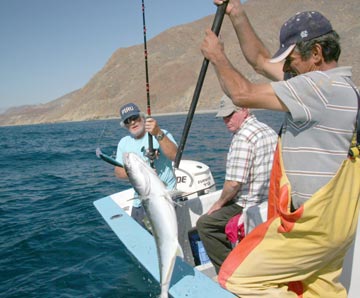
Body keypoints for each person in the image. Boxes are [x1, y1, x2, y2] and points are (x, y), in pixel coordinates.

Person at [201, 1, 359, 297]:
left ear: (316, 54)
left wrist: (217, 57)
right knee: (319, 289)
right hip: (337, 225)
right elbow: (261, 60)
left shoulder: (317, 88)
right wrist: (236, 13)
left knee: (238, 277)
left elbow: (242, 93)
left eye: (291, 59)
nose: (286, 67)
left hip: (312, 228)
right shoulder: (344, 89)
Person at [196, 94, 277, 274]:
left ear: (244, 109)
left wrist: (218, 204)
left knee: (206, 225)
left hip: (248, 203)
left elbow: (233, 184)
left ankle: (231, 272)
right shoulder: (267, 129)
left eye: (230, 114)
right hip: (270, 200)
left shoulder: (242, 138)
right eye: (224, 116)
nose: (226, 120)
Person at [114, 102, 178, 228]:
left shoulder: (161, 134)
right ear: (125, 125)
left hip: (164, 198)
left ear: (142, 118)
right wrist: (137, 167)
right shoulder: (124, 143)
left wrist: (158, 133)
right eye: (127, 121)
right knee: (139, 239)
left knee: (167, 239)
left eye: (134, 118)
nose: (132, 122)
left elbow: (175, 156)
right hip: (140, 201)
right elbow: (118, 172)